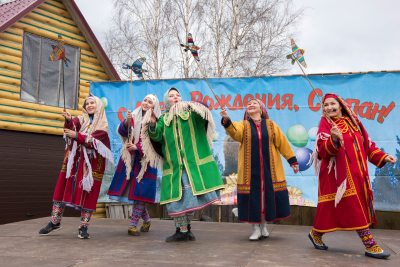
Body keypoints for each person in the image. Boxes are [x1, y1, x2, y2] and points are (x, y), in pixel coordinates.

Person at [308, 93, 397, 259]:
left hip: (358, 173)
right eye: (325, 105)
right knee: (352, 206)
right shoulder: (326, 124)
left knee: (331, 210)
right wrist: (333, 138)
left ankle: (316, 233)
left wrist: (383, 157)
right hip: (337, 177)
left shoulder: (355, 123)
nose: (329, 108)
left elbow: (367, 145)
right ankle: (369, 243)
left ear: (341, 105)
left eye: (332, 104)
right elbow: (322, 150)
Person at [142, 87, 225, 242]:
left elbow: (204, 112)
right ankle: (183, 230)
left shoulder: (191, 114)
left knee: (189, 199)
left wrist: (192, 105)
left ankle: (185, 230)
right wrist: (153, 124)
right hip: (174, 167)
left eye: (178, 95)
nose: (176, 97)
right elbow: (156, 136)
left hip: (191, 166)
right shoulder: (163, 119)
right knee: (176, 201)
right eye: (172, 96)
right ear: (167, 101)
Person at [220, 98, 299, 240]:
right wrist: (226, 119)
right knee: (254, 198)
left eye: (254, 103)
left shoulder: (270, 125)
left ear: (261, 109)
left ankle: (264, 226)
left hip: (270, 170)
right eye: (248, 104)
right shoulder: (243, 125)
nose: (250, 105)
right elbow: (234, 132)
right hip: (251, 171)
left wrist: (292, 160)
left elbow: (282, 143)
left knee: (266, 198)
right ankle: (256, 228)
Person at [39, 94, 114, 239]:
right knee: (62, 189)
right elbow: (72, 127)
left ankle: (83, 227)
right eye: (87, 104)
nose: (89, 105)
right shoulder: (80, 120)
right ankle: (55, 222)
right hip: (73, 163)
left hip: (90, 166)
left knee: (89, 194)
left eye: (92, 103)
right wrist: (68, 120)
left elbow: (94, 141)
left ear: (98, 105)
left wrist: (76, 135)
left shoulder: (102, 125)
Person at [108, 94, 161, 236]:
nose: (146, 103)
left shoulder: (156, 120)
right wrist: (126, 122)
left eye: (150, 102)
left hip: (146, 161)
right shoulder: (134, 114)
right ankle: (147, 220)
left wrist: (138, 147)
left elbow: (156, 141)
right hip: (130, 159)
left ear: (154, 106)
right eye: (145, 100)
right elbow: (122, 132)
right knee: (134, 193)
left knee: (140, 194)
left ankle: (132, 226)